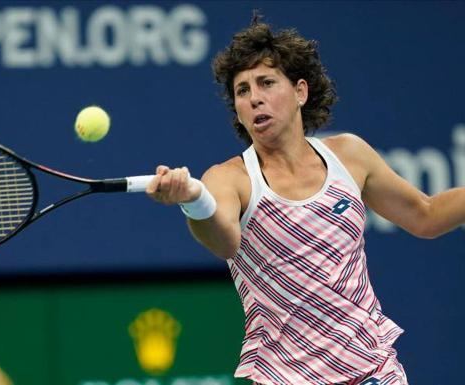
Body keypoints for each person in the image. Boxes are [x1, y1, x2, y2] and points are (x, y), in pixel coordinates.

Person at [146, 13, 465, 385]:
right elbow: (224, 240)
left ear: (300, 91)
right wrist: (193, 200)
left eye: (266, 83)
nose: (254, 99)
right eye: (243, 91)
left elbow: (425, 216)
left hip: (375, 371)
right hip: (286, 376)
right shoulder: (230, 179)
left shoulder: (349, 155)